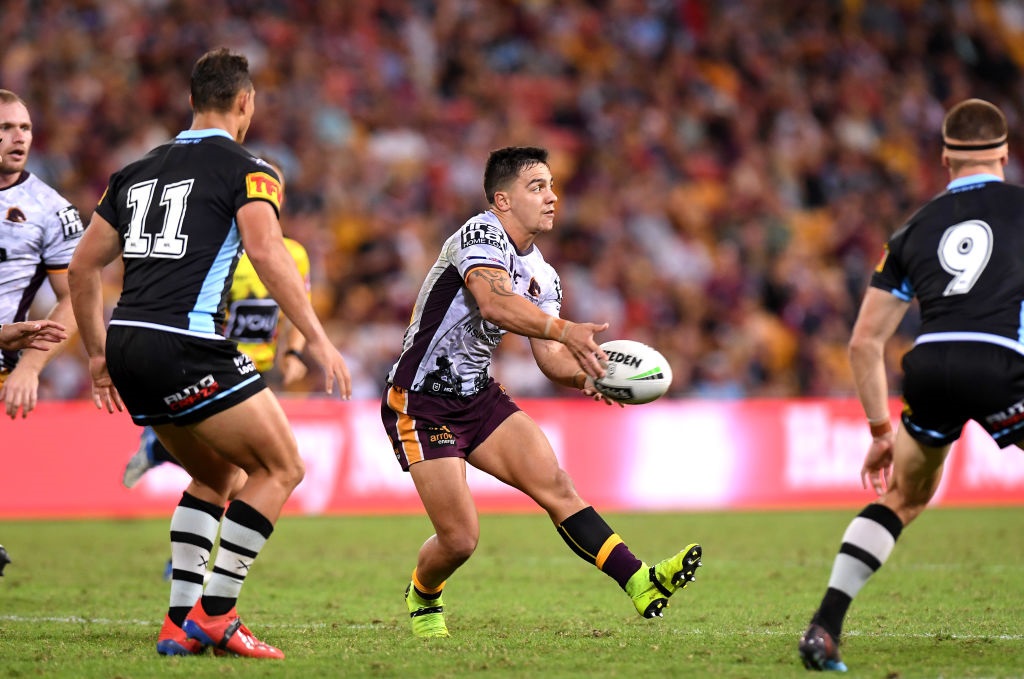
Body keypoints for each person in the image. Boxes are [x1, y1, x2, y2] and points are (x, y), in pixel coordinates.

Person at [68, 47, 351, 660]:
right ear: (245, 102)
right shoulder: (251, 167)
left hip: (126, 343)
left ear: (192, 101)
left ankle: (176, 625)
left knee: (218, 474)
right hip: (187, 341)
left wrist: (96, 355)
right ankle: (218, 615)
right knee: (282, 468)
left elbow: (83, 266)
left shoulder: (134, 171)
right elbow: (268, 251)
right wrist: (320, 336)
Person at [380, 146, 702, 638]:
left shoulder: (544, 274)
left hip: (478, 397)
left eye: (552, 186)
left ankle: (641, 580)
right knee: (461, 539)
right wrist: (565, 329)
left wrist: (587, 378)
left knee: (557, 486)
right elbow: (493, 303)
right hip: (421, 402)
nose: (551, 198)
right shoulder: (479, 232)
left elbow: (549, 357)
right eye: (537, 187)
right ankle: (424, 593)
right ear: (501, 200)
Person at [798, 98, 1024, 672]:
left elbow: (863, 342)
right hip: (1002, 363)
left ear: (945, 157)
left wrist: (879, 429)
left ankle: (824, 627)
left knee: (903, 497)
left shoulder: (912, 229)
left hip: (930, 368)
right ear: (1004, 152)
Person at [120, 157, 311, 490]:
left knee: (235, 468)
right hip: (217, 367)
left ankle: (160, 448)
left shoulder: (294, 254)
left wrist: (294, 354)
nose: (269, 196)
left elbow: (300, 308)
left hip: (259, 368)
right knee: (249, 465)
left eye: (275, 189)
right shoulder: (223, 252)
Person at [0, 91, 84, 420]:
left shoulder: (52, 210)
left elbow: (76, 298)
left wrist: (31, 367)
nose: (20, 136)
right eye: (6, 127)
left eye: (26, 127)